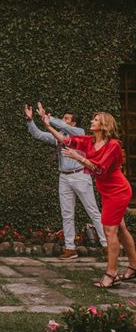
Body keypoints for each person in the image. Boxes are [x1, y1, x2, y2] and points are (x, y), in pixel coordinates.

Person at [42, 111, 136, 288]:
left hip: (118, 191)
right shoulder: (90, 141)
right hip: (106, 191)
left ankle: (111, 274)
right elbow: (66, 140)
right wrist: (48, 125)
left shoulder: (113, 145)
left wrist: (79, 158)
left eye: (96, 120)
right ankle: (133, 266)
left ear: (104, 125)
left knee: (109, 231)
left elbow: (100, 170)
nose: (92, 121)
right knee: (121, 228)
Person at [24, 103, 107, 260]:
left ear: (73, 123)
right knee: (67, 213)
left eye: (67, 119)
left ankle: (106, 245)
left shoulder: (80, 133)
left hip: (81, 175)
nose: (63, 120)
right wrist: (30, 120)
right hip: (64, 177)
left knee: (93, 211)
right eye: (63, 118)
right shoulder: (59, 137)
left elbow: (62, 126)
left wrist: (48, 118)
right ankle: (70, 249)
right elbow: (38, 135)